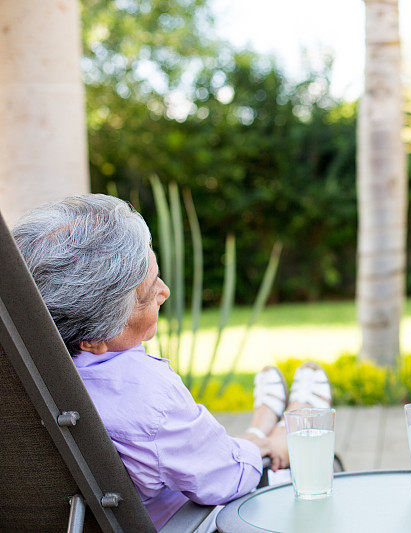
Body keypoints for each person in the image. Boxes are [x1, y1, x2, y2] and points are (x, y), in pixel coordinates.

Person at [12, 194, 332, 530]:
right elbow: (228, 478)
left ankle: (261, 424)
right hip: (182, 521)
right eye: (149, 291)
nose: (164, 291)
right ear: (94, 338)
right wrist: (268, 448)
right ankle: (283, 428)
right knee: (306, 473)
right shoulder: (144, 394)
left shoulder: (21, 373)